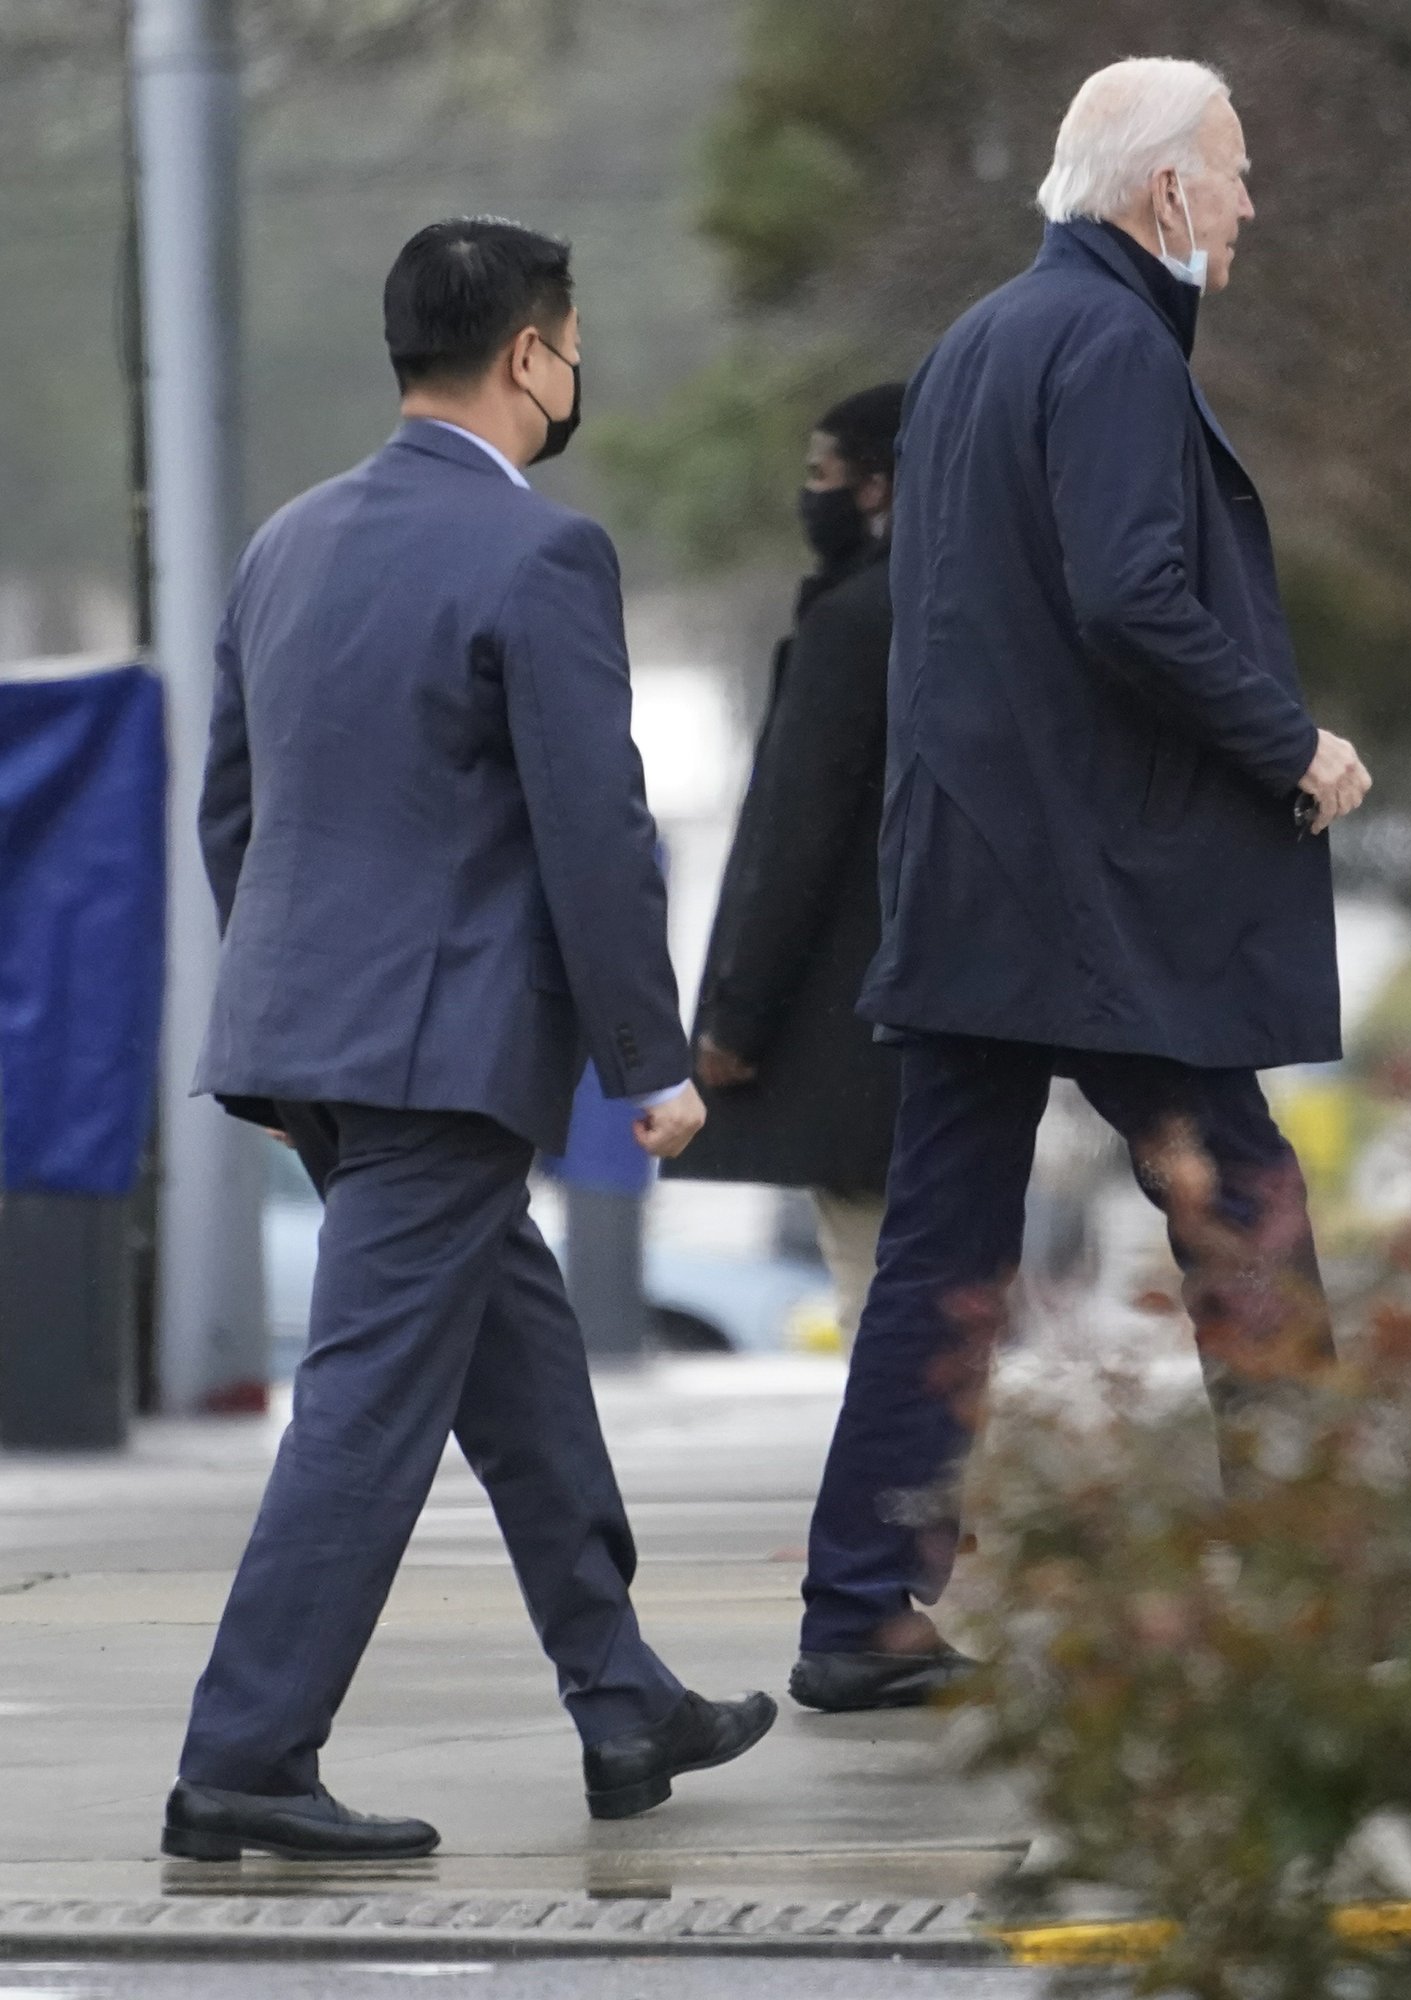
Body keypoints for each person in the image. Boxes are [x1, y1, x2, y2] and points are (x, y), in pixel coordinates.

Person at [168, 218, 774, 1861]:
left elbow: (238, 810)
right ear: (530, 357)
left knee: (518, 1369)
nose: (574, 374)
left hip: (322, 1040)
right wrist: (651, 1063)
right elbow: (597, 827)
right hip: (438, 1054)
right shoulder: (542, 557)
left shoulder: (285, 542)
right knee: (368, 1402)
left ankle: (621, 1696)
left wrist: (300, 1022)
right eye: (571, 346)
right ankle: (245, 1755)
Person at [789, 58, 1372, 1714]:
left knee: (943, 1248)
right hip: (1091, 887)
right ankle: (1317, 1578)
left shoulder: (979, 342)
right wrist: (1291, 743)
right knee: (1245, 1201)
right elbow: (1132, 603)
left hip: (977, 868)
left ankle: (859, 1611)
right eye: (1237, 172)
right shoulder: (1112, 344)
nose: (1251, 205)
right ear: (1166, 191)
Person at [665, 384, 909, 1339]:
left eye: (823, 476)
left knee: (881, 1300)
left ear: (879, 486)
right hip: (965, 1027)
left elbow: (793, 838)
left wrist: (735, 1019)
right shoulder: (986, 607)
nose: (810, 497)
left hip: (850, 1039)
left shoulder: (852, 626)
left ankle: (909, 1494)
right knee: (949, 1298)